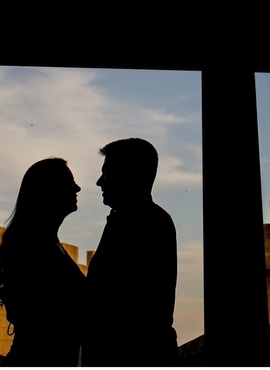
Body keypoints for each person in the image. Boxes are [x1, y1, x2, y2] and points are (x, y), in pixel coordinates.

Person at [82, 138, 179, 367]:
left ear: (127, 174)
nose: (99, 182)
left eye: (106, 172)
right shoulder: (146, 220)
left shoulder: (140, 223)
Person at [0, 158, 85, 367]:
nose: (77, 188)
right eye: (70, 183)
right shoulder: (34, 245)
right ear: (50, 190)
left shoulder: (44, 243)